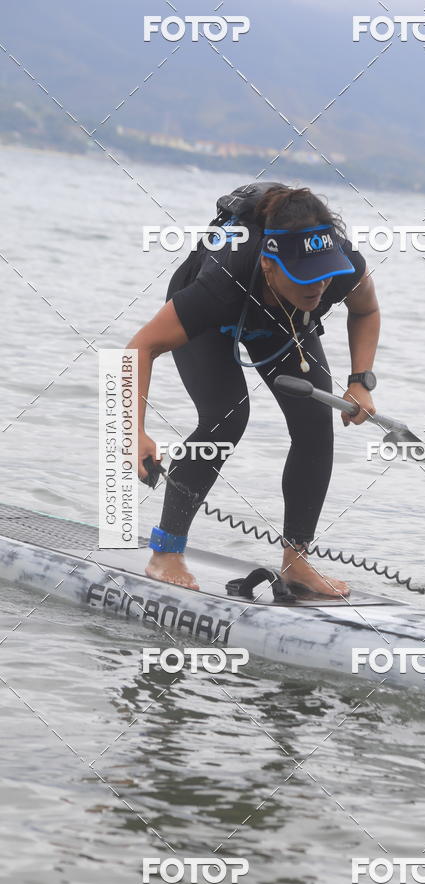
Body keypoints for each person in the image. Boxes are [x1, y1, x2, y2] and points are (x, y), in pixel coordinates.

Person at [127, 183, 380, 596]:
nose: (318, 286)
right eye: (305, 275)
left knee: (315, 425)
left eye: (324, 274)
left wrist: (360, 382)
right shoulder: (221, 283)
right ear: (269, 264)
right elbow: (141, 347)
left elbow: (366, 310)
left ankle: (296, 562)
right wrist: (133, 431)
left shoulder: (341, 267)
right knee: (226, 417)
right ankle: (165, 552)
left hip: (283, 322)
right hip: (215, 320)